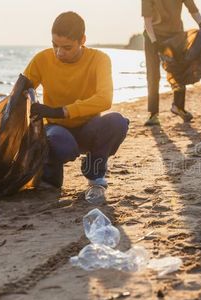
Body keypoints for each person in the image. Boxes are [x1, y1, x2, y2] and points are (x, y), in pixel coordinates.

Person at [23, 11, 129, 201]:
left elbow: (105, 99)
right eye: (55, 45)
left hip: (89, 128)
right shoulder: (42, 59)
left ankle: (95, 172)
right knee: (63, 146)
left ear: (82, 40)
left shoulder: (100, 59)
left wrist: (62, 111)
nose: (59, 52)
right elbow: (22, 91)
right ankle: (50, 176)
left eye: (67, 47)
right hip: (57, 131)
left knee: (118, 122)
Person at [142, 0, 201, 126]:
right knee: (153, 75)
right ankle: (153, 114)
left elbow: (192, 8)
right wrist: (155, 42)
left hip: (175, 35)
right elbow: (147, 20)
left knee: (180, 71)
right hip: (152, 35)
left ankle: (178, 107)